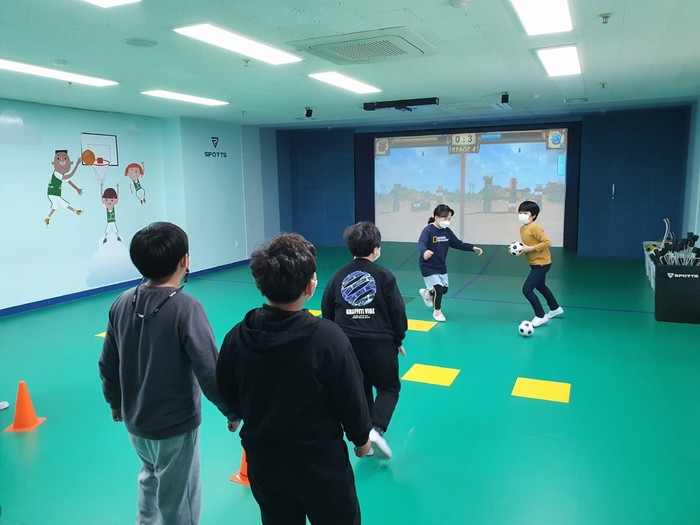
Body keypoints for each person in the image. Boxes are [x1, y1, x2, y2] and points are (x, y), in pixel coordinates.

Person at [216, 233, 371, 525]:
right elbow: (351, 397)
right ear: (310, 287)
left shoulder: (237, 336)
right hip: (321, 465)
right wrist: (361, 439)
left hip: (264, 461)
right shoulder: (329, 339)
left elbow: (225, 385)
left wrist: (237, 412)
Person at [99, 221, 239, 525]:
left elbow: (108, 361)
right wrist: (231, 409)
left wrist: (115, 401)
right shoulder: (186, 307)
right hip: (175, 425)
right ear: (185, 260)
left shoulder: (122, 301)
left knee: (149, 478)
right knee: (180, 499)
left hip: (136, 422)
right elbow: (209, 368)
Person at [321, 221, 407, 460]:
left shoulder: (338, 275)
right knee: (389, 387)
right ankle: (376, 430)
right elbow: (397, 311)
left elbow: (327, 309)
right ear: (376, 248)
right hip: (380, 344)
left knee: (361, 388)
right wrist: (399, 338)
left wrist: (335, 338)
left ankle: (364, 439)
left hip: (346, 345)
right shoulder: (384, 276)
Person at [418, 204, 483, 322]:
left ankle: (427, 293)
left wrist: (472, 248)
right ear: (436, 217)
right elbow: (421, 243)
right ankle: (437, 311)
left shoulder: (447, 232)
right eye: (444, 218)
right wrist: (425, 251)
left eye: (449, 219)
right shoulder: (428, 230)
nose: (447, 221)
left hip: (440, 266)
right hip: (428, 266)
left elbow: (458, 244)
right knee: (438, 289)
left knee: (444, 290)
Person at [516, 200, 564, 326]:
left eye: (525, 213)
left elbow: (547, 242)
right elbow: (528, 244)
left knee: (527, 290)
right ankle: (555, 308)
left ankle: (540, 316)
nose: (522, 215)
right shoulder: (522, 228)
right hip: (534, 263)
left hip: (542, 264)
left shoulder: (535, 228)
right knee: (540, 286)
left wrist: (530, 249)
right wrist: (522, 249)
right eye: (520, 212)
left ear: (534, 215)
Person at [44, 149, 83, 227]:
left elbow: (69, 181)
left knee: (64, 204)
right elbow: (69, 175)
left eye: (65, 159)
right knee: (55, 206)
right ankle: (47, 218)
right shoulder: (57, 173)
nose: (62, 161)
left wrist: (77, 189)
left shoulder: (61, 174)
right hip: (52, 193)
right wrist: (77, 164)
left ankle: (76, 211)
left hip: (56, 193)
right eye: (58, 159)